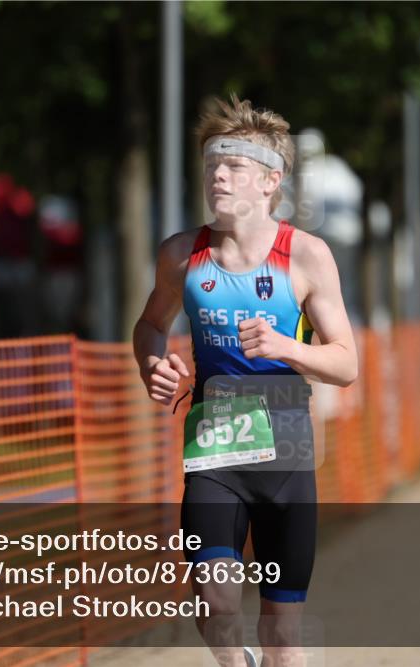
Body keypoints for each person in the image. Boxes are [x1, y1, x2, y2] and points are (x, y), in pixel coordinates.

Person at [133, 93, 358, 667]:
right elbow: (150, 326)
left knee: (283, 637)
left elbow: (346, 363)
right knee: (215, 605)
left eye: (233, 166)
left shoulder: (306, 256)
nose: (218, 176)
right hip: (215, 454)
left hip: (288, 457)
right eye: (212, 165)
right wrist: (152, 364)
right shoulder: (181, 255)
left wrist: (287, 347)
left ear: (269, 181)